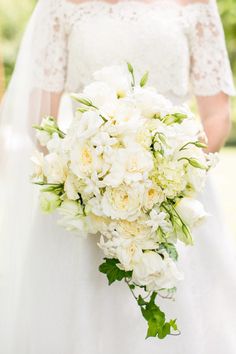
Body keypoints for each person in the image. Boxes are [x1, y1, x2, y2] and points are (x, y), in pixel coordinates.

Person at [0, 0, 236, 353]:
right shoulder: (61, 6)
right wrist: (86, 178)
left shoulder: (196, 4)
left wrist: (171, 176)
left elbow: (217, 116)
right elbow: (41, 120)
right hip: (84, 198)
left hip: (176, 199)